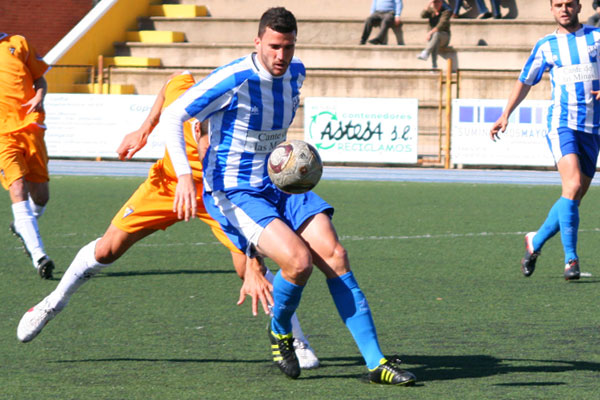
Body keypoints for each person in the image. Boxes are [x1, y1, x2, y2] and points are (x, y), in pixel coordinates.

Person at [158, 7, 416, 386]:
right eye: (275, 46)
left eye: (289, 47)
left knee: (335, 255)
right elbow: (173, 116)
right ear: (258, 41)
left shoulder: (297, 72)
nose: (282, 56)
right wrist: (184, 176)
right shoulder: (232, 79)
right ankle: (281, 332)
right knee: (298, 262)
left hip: (280, 184)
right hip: (236, 190)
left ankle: (376, 362)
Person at [16, 71, 320, 369]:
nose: (205, 145)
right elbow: (169, 84)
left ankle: (294, 338)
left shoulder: (236, 125)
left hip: (218, 193)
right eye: (202, 136)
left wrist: (253, 261)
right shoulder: (186, 92)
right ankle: (53, 302)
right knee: (107, 249)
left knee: (250, 270)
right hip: (168, 185)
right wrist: (144, 129)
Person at [490, 0, 598, 281]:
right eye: (558, 5)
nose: (564, 9)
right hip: (561, 124)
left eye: (569, 4)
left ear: (579, 7)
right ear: (552, 9)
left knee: (572, 197)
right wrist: (506, 114)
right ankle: (570, 261)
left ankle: (534, 242)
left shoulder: (596, 38)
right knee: (572, 185)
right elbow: (525, 80)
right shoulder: (546, 45)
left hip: (592, 129)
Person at [0, 33, 54, 279]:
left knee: (41, 197)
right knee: (18, 186)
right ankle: (39, 255)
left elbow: (39, 79)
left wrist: (39, 96)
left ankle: (22, 227)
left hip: (31, 127)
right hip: (2, 135)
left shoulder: (17, 43)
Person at [417, 0, 452, 69]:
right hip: (434, 38)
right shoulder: (431, 11)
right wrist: (429, 3)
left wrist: (430, 33)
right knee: (435, 40)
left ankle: (426, 52)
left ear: (441, 3)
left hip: (444, 37)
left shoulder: (446, 12)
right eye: (434, 2)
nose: (436, 4)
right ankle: (434, 66)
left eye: (437, 2)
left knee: (436, 34)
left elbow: (441, 25)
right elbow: (422, 15)